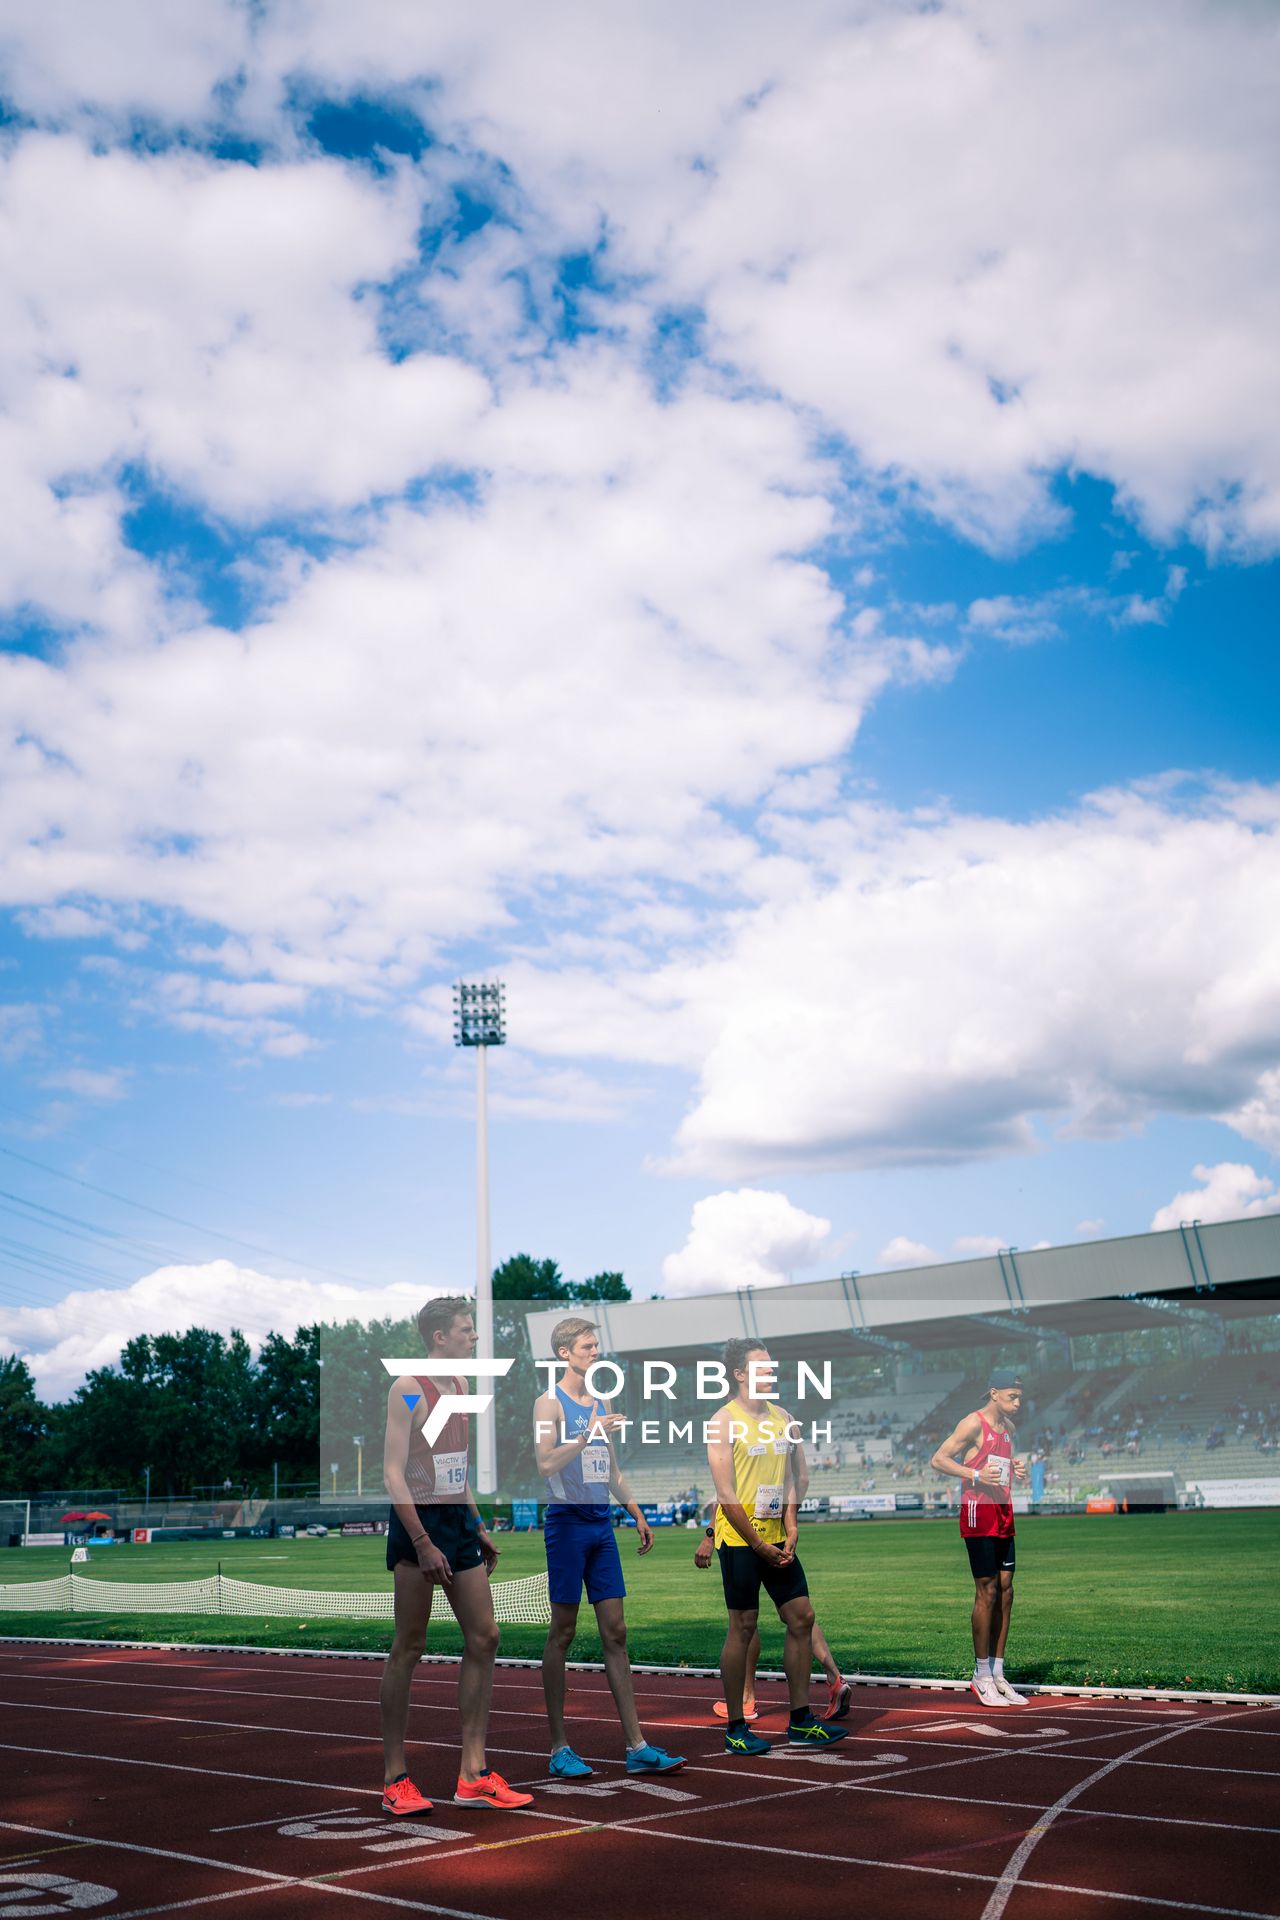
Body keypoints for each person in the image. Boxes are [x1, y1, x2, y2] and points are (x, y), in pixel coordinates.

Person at [380, 1295, 534, 1814]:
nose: (474, 1338)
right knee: (410, 1645)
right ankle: (395, 1778)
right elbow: (392, 1473)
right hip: (418, 1527)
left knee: (485, 1636)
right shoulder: (406, 1389)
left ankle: (473, 1773)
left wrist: (477, 1525)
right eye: (466, 1330)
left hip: (456, 1523)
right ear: (439, 1337)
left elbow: (455, 1466)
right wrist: (422, 1542)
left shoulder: (462, 1387)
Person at [532, 1316, 685, 1780]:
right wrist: (587, 1433)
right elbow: (544, 1463)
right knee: (563, 1630)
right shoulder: (548, 1404)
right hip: (567, 1524)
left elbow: (611, 1468)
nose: (595, 1353)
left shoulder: (602, 1399)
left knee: (615, 1631)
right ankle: (559, 1748)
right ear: (564, 1353)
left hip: (601, 1525)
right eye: (587, 1346)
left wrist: (635, 1511)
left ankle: (636, 1745)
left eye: (596, 1345)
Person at [707, 1338, 849, 1754]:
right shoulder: (723, 1422)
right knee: (744, 1627)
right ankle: (737, 1726)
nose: (771, 1374)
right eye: (761, 1368)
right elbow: (725, 1493)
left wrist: (790, 1522)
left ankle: (801, 1720)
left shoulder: (784, 1417)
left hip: (776, 1535)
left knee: (801, 1616)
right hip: (738, 1538)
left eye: (772, 1368)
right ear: (738, 1374)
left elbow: (792, 1478)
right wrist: (756, 1543)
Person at [930, 1366, 1029, 1707]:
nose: (1018, 1402)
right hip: (978, 1513)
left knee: (1006, 1590)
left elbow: (998, 1465)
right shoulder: (973, 1423)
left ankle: (999, 1674)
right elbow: (938, 1459)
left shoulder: (1009, 1428)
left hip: (1004, 1512)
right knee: (986, 1590)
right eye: (1012, 1396)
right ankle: (981, 1675)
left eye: (1020, 1397)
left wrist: (1014, 1467)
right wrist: (974, 1473)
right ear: (994, 1394)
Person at [694, 1515, 851, 1721]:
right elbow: (794, 1489)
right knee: (798, 1614)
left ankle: (746, 1700)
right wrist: (792, 1529)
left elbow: (725, 1500)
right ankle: (833, 1677)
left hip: (742, 1537)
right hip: (774, 1532)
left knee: (745, 1620)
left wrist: (709, 1535)